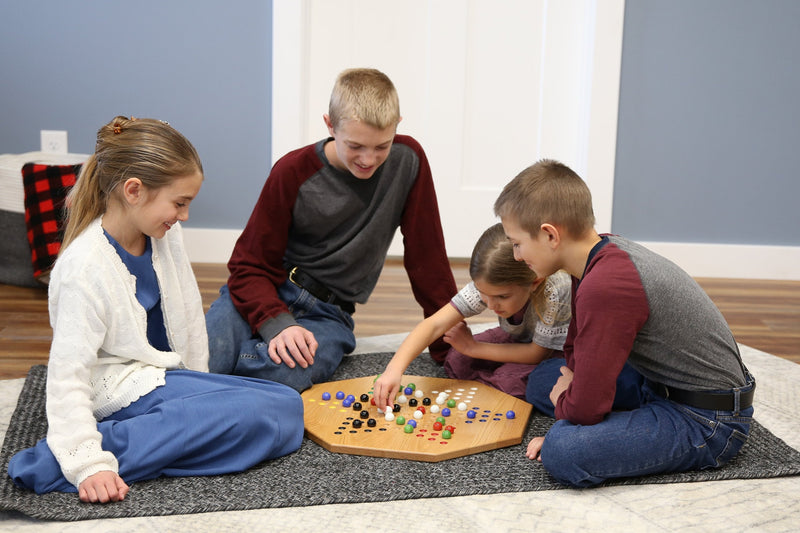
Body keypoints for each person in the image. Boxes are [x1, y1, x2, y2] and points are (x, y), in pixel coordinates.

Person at [7, 116, 304, 504]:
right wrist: (87, 463)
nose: (184, 216)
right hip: (118, 390)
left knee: (286, 406)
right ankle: (64, 458)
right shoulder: (83, 268)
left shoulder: (163, 236)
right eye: (179, 203)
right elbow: (67, 375)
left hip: (163, 378)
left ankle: (164, 433)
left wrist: (202, 390)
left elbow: (188, 318)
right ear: (134, 191)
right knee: (256, 417)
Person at [494, 159, 755, 487]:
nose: (517, 255)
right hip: (657, 381)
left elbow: (586, 409)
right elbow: (578, 344)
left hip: (707, 420)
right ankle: (622, 426)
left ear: (549, 235)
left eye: (517, 243)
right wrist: (572, 388)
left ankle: (615, 433)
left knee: (563, 449)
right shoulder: (595, 255)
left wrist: (570, 405)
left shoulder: (606, 284)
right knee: (542, 381)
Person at [206, 68, 457, 393]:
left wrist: (449, 347)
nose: (369, 159)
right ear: (329, 125)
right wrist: (276, 322)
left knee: (284, 375)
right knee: (205, 356)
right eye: (355, 146)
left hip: (328, 314)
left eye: (382, 146)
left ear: (397, 125)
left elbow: (427, 258)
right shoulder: (291, 171)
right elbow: (248, 266)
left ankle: (223, 375)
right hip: (268, 289)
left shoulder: (408, 161)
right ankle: (222, 369)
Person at [373, 223, 571, 409]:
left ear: (535, 282)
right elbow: (434, 324)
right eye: (482, 292)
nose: (491, 304)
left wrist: (473, 347)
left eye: (502, 296)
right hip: (518, 338)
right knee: (457, 359)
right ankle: (492, 377)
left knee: (508, 381)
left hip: (553, 351)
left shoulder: (556, 292)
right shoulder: (488, 285)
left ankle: (497, 378)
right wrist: (394, 369)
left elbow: (537, 353)